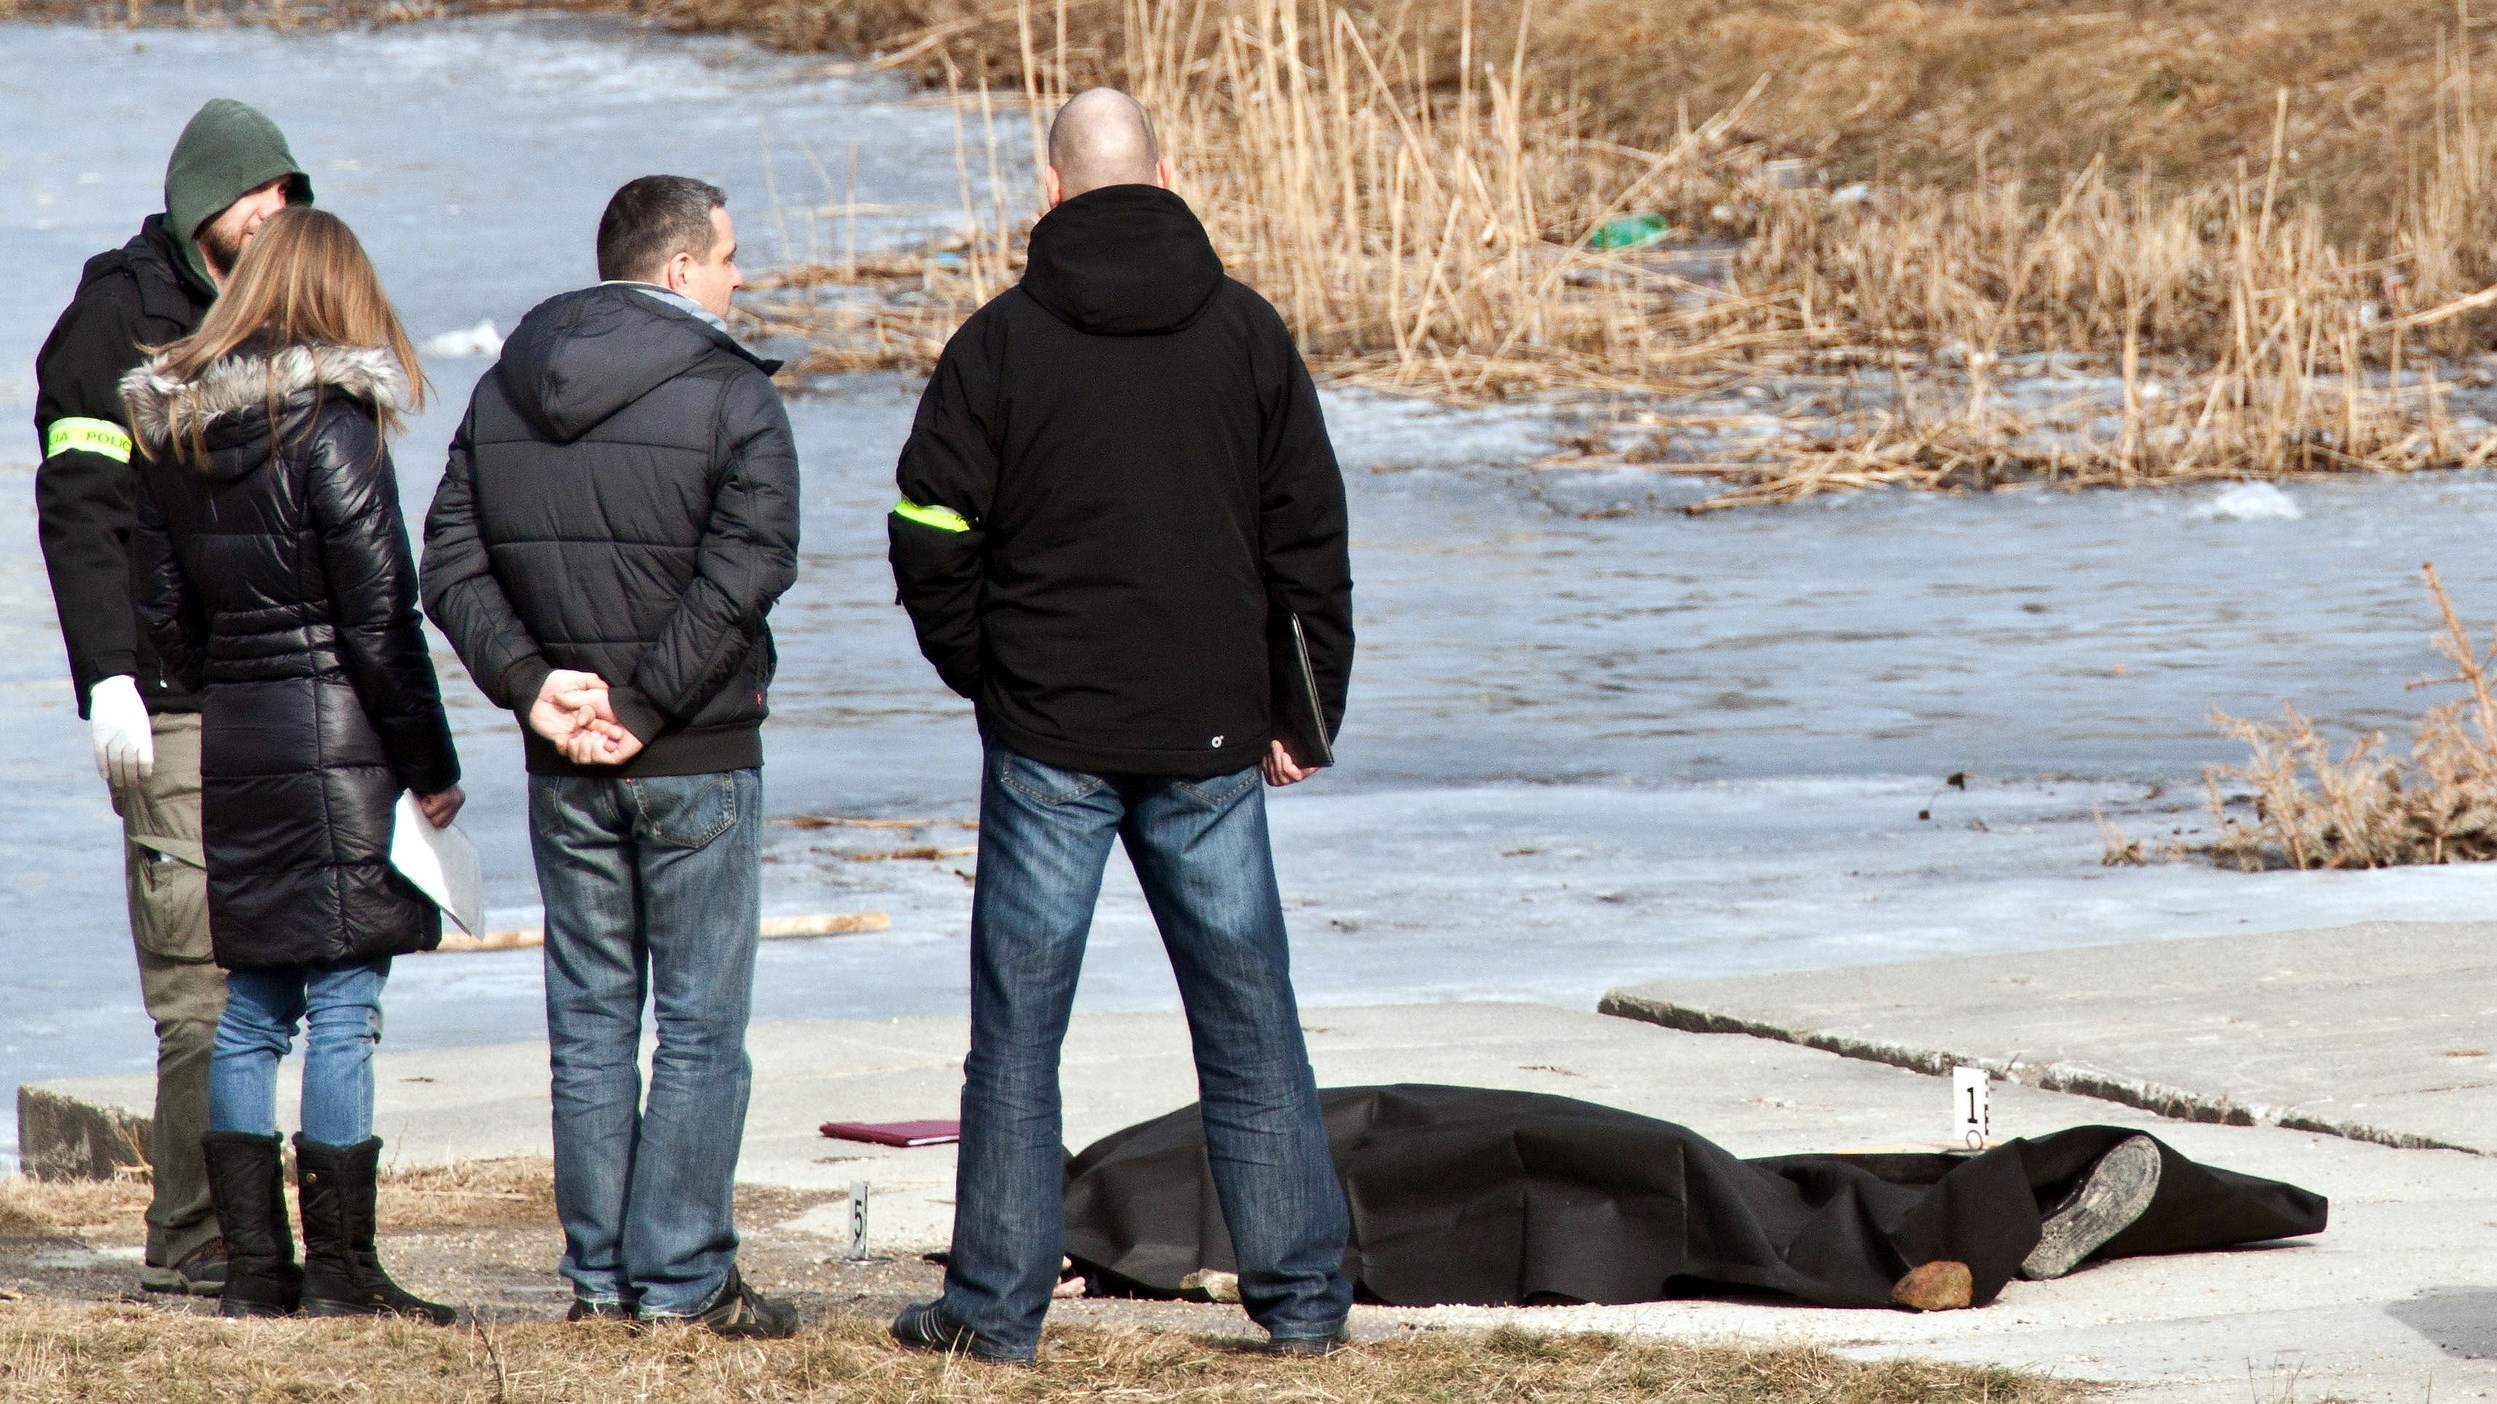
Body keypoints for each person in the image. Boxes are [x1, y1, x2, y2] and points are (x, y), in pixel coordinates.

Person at [885, 87, 1357, 1363]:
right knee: (1251, 1024)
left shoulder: (997, 345)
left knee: (1018, 1038)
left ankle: (993, 1316)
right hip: (1208, 735)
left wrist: (990, 676)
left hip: (1050, 739)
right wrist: (1300, 713)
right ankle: (1305, 1306)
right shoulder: (1248, 335)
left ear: (1048, 190)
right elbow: (1307, 537)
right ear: (1163, 171)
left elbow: (927, 533)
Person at [420, 175, 803, 1337]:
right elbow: (753, 564)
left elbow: (448, 561)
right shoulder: (733, 393)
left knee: (590, 1016)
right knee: (694, 1021)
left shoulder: (505, 385)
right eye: (729, 255)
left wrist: (536, 690)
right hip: (687, 750)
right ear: (680, 267)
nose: (741, 277)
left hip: (571, 760)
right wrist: (633, 701)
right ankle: (680, 1283)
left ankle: (601, 1278)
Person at [123, 206, 464, 1323]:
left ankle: (257, 1269)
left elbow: (161, 608)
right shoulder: (333, 424)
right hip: (335, 743)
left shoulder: (174, 430)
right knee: (348, 1000)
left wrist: (237, 681)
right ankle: (344, 1268)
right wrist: (430, 763)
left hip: (237, 733)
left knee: (253, 1006)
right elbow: (381, 618)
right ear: (337, 294)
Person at [31, 97, 311, 1300]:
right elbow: (80, 516)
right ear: (207, 205)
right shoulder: (113, 325)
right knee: (199, 986)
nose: (280, 214)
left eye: (291, 195)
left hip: (279, 691)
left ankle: (258, 1230)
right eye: (261, 195)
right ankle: (194, 1235)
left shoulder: (286, 309)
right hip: (174, 698)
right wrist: (106, 679)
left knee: (287, 974)